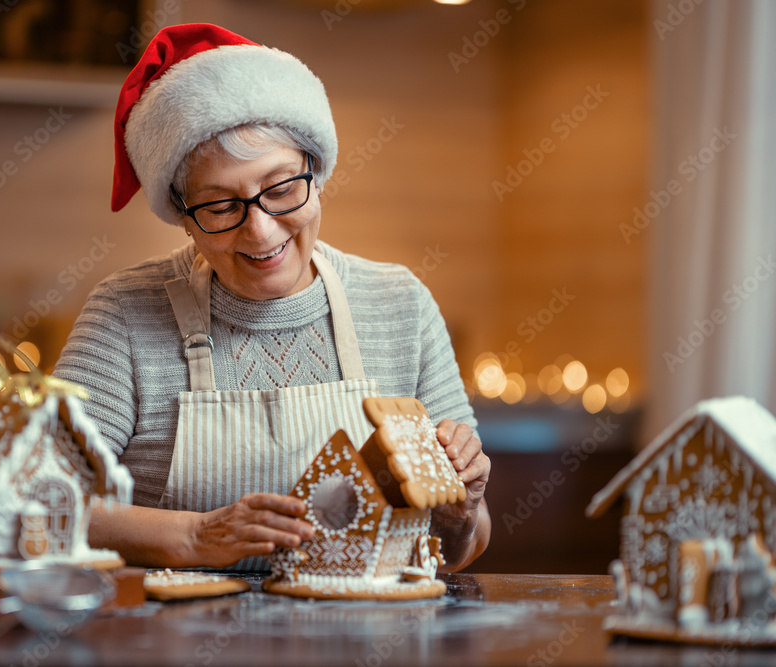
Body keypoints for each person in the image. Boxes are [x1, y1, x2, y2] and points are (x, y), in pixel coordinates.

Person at [54, 23, 490, 571]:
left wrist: (460, 510)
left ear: (319, 174)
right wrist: (195, 537)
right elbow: (38, 500)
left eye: (282, 190)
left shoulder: (400, 305)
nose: (259, 232)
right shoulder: (125, 314)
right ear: (183, 217)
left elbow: (461, 549)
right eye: (219, 206)